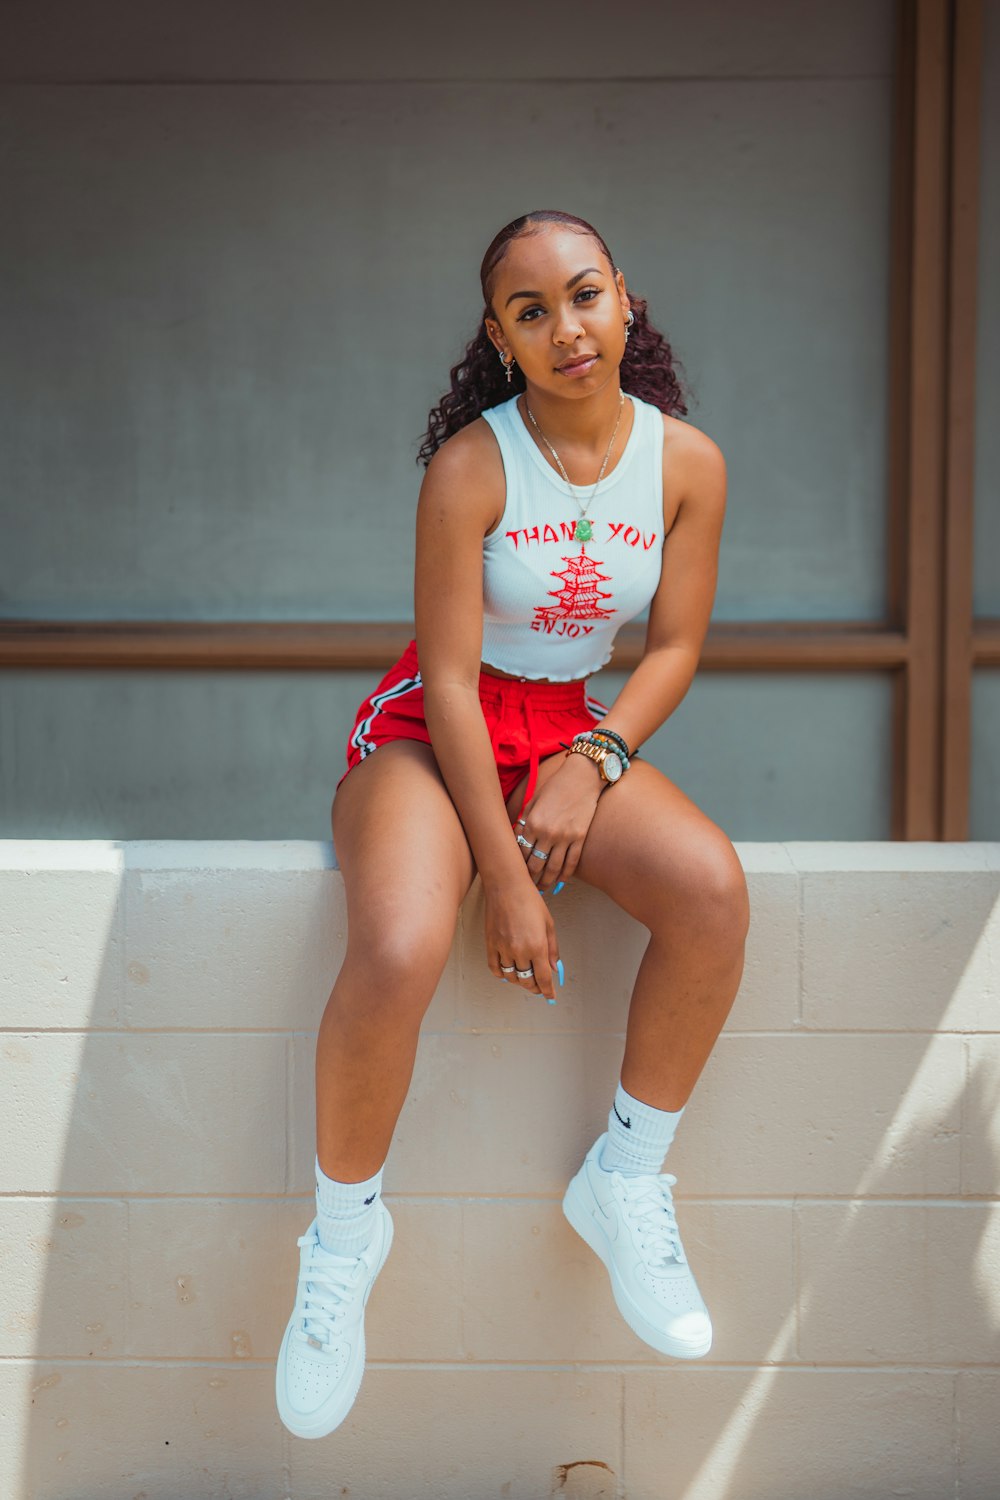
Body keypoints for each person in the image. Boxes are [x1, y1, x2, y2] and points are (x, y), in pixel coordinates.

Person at [275, 209, 750, 1440]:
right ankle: (341, 1246)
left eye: (582, 296)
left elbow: (677, 647)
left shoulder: (686, 462)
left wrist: (593, 760)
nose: (566, 328)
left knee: (709, 891)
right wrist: (513, 876)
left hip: (564, 727)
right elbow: (443, 681)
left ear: (624, 300)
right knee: (396, 948)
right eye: (530, 312)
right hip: (433, 735)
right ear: (499, 338)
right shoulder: (473, 467)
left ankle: (625, 1181)